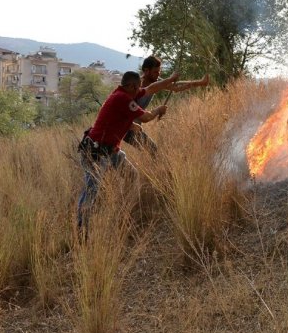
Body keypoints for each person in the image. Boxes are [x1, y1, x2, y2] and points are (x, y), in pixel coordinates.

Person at [77, 70, 179, 232]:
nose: (140, 90)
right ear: (131, 86)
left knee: (131, 176)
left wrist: (170, 79)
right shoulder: (122, 98)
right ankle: (82, 231)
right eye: (138, 87)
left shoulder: (124, 94)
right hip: (96, 153)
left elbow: (151, 88)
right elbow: (146, 117)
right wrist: (158, 110)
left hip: (111, 152)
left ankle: (123, 212)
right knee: (91, 191)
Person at [123, 55, 209, 155]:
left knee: (152, 151)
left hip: (135, 128)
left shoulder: (155, 82)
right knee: (153, 150)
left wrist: (200, 83)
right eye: (155, 72)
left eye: (159, 71)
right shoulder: (135, 87)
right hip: (127, 127)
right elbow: (142, 117)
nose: (158, 74)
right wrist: (158, 110)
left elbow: (176, 87)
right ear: (146, 71)